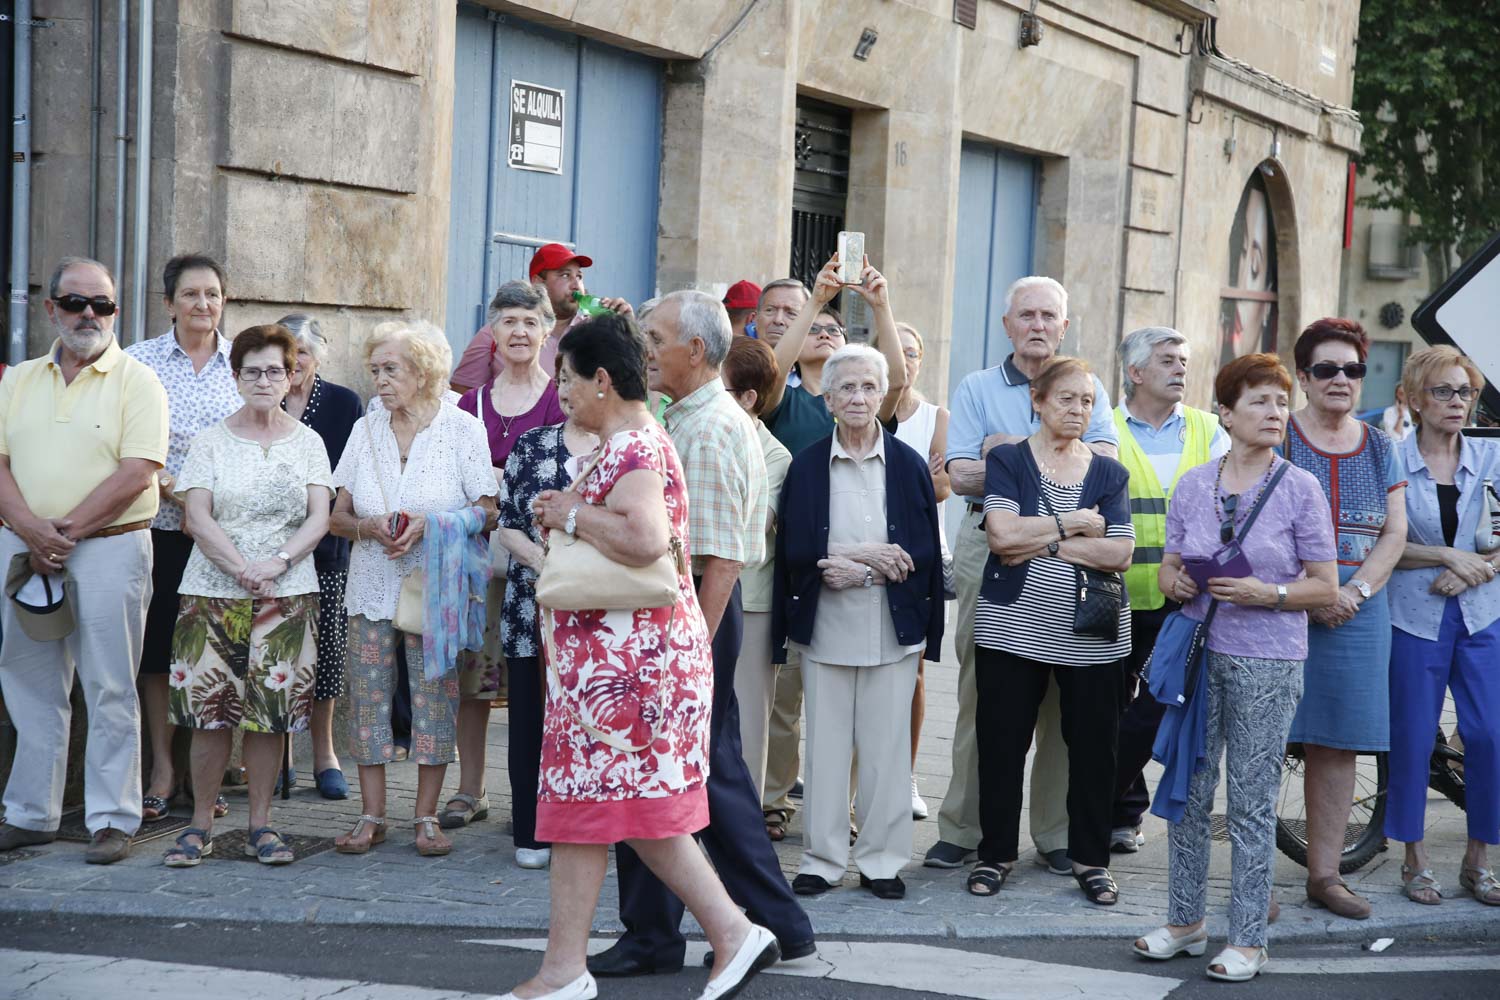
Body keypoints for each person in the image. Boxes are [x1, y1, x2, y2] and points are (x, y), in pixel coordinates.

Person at [502, 313, 779, 1000]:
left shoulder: (635, 446)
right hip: (611, 670)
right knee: (589, 811)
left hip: (632, 671)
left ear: (601, 380)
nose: (561, 393)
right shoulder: (627, 441)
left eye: (568, 379)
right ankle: (569, 969)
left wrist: (567, 511)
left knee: (629, 812)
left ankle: (732, 935)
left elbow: (647, 538)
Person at [587, 291, 814, 979]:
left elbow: (718, 559)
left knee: (682, 775)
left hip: (693, 621)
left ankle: (751, 925)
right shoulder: (687, 415)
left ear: (696, 349)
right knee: (697, 776)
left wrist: (687, 655)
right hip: (688, 622)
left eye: (654, 337)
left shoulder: (708, 426)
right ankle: (728, 927)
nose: (644, 348)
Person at [1132, 353, 1337, 982]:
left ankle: (1248, 937)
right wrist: (1175, 581)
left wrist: (1268, 594)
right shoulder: (1194, 482)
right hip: (1200, 649)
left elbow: (1325, 587)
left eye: (1280, 402)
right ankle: (1186, 921)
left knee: (1249, 802)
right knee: (1189, 793)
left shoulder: (1300, 487)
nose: (1275, 413)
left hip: (1268, 660)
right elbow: (1169, 564)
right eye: (1259, 402)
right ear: (1225, 412)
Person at [931, 276, 1117, 872]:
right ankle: (965, 829)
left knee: (1066, 695)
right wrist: (1039, 453)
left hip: (1078, 554)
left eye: (1049, 317)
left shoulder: (1089, 388)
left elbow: (1107, 462)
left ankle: (1056, 834)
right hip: (989, 538)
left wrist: (1008, 451)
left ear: (1064, 327)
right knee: (981, 694)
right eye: (1027, 315)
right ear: (1007, 324)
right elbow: (960, 476)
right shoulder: (977, 385)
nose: (1038, 325)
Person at [0, 257, 167, 865]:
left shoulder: (139, 380)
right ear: (51, 309)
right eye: (77, 303)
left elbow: (138, 470)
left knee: (109, 683)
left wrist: (60, 534)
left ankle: (112, 818)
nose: (90, 316)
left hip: (109, 547)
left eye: (103, 305)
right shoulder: (17, 380)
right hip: (23, 547)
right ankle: (30, 813)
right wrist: (29, 529)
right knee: (28, 680)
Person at [774, 343, 944, 901]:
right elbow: (797, 546)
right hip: (828, 626)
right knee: (823, 750)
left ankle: (882, 861)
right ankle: (822, 860)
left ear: (883, 394)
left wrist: (864, 564)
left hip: (891, 629)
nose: (858, 397)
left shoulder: (909, 465)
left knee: (887, 750)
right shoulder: (806, 466)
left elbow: (918, 548)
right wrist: (849, 562)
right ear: (827, 398)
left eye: (869, 387)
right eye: (846, 387)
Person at [159, 325, 332, 867]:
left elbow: (320, 516)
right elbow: (196, 514)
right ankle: (200, 823)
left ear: (291, 376)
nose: (264, 379)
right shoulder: (211, 440)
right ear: (236, 378)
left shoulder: (309, 442)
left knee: (270, 714)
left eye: (274, 370)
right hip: (212, 590)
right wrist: (240, 569)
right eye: (252, 370)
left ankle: (262, 825)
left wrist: (276, 563)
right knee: (211, 714)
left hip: (289, 590)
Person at [326, 321, 497, 857]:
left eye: (390, 369)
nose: (379, 380)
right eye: (374, 369)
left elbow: (489, 512)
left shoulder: (462, 427)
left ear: (423, 372)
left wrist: (432, 522)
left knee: (434, 699)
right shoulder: (366, 428)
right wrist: (368, 528)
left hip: (435, 585)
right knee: (369, 698)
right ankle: (371, 814)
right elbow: (337, 516)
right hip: (372, 582)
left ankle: (426, 816)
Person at [967, 357, 1132, 905]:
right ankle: (996, 854)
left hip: (1093, 633)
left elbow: (1121, 552)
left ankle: (1090, 859)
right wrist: (1074, 522)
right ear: (1037, 401)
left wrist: (1046, 543)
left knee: (1093, 750)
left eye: (1087, 401)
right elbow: (1000, 537)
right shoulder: (1010, 460)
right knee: (1001, 744)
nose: (1078, 410)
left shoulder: (1110, 473)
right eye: (1066, 399)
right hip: (1010, 628)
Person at [759, 257, 907, 843]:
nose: (822, 335)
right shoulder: (788, 403)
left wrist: (879, 305)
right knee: (786, 696)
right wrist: (817, 302)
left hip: (862, 577)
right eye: (813, 331)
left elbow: (896, 378)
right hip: (799, 570)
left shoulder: (867, 401)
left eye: (830, 331)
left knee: (853, 714)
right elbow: (771, 371)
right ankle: (773, 799)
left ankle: (842, 805)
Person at [1284, 319, 1408, 919]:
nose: (1341, 379)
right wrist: (1311, 592)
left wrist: (1353, 592)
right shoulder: (1278, 435)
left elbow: (1395, 531)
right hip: (1280, 607)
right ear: (1303, 378)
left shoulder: (1382, 445)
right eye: (1327, 369)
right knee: (1263, 739)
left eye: (1353, 369)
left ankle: (1325, 876)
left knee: (1339, 745)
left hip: (1358, 613)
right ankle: (1250, 879)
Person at [443, 281, 566, 833]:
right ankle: (471, 789)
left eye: (529, 322)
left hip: (539, 556)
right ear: (491, 333)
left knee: (535, 680)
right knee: (474, 678)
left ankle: (542, 786)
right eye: (508, 322)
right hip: (476, 556)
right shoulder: (470, 402)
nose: (519, 332)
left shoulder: (561, 398)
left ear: (547, 333)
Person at [125, 253, 242, 822]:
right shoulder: (137, 363)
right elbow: (122, 442)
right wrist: (174, 490)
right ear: (168, 302)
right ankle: (163, 768)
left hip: (220, 536)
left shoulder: (241, 365)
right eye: (191, 294)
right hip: (158, 530)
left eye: (213, 294)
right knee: (156, 653)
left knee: (210, 653)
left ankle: (206, 775)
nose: (204, 305)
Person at [1386, 345, 1500, 907]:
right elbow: (1381, 545)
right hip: (1412, 616)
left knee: (1489, 735)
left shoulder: (1493, 461)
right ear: (1411, 398)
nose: (1457, 402)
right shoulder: (1391, 460)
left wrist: (1475, 569)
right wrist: (1445, 557)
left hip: (1482, 614)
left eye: (1466, 392)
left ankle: (1479, 857)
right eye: (1444, 391)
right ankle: (1414, 857)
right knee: (1411, 738)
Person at [1109, 327, 1230, 854]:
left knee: (1154, 704)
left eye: (1183, 360)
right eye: (1167, 361)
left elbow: (1232, 503)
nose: (1181, 369)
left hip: (1185, 597)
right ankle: (1120, 815)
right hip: (1112, 593)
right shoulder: (1105, 428)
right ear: (1135, 373)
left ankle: (1109, 800)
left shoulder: (1208, 429)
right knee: (1112, 706)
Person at [495, 400, 598, 871]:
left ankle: (591, 828)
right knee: (530, 719)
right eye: (563, 379)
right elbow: (507, 525)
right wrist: (545, 565)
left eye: (580, 378)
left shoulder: (623, 451)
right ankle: (531, 829)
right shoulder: (531, 443)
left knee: (592, 718)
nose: (571, 391)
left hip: (599, 612)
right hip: (529, 604)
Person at [278, 313, 364, 800]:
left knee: (328, 650)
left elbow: (349, 476)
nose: (292, 364)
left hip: (327, 545)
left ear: (317, 356)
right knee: (277, 649)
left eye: (302, 353)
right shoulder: (261, 395)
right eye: (285, 353)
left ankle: (325, 752)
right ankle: (279, 752)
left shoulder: (342, 402)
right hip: (267, 543)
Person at [880, 321, 951, 820]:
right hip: (870, 551)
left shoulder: (936, 416)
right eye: (895, 353)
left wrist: (909, 485)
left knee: (914, 671)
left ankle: (904, 775)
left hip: (923, 556)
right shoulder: (863, 413)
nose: (904, 362)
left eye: (912, 352)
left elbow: (942, 486)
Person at [722, 337, 792, 802]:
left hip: (751, 600)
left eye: (718, 389)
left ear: (748, 398)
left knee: (749, 718)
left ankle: (744, 822)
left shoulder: (776, 456)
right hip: (692, 591)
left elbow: (757, 528)